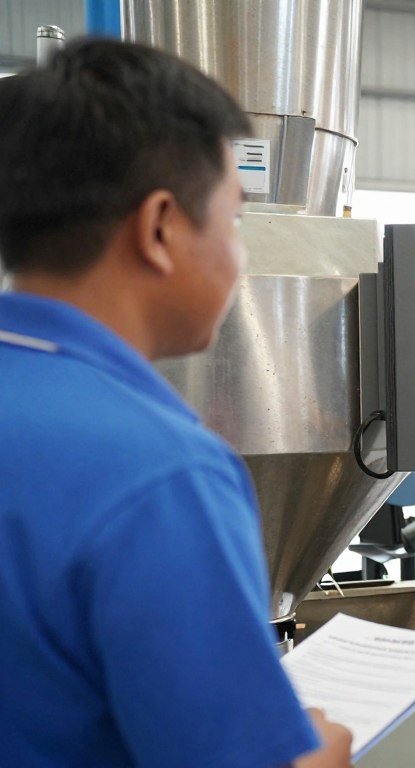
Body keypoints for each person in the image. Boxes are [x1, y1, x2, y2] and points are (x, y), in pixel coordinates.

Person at [0, 40, 351, 767]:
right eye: (234, 221)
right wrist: (323, 753)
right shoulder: (160, 472)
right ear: (160, 228)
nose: (240, 258)